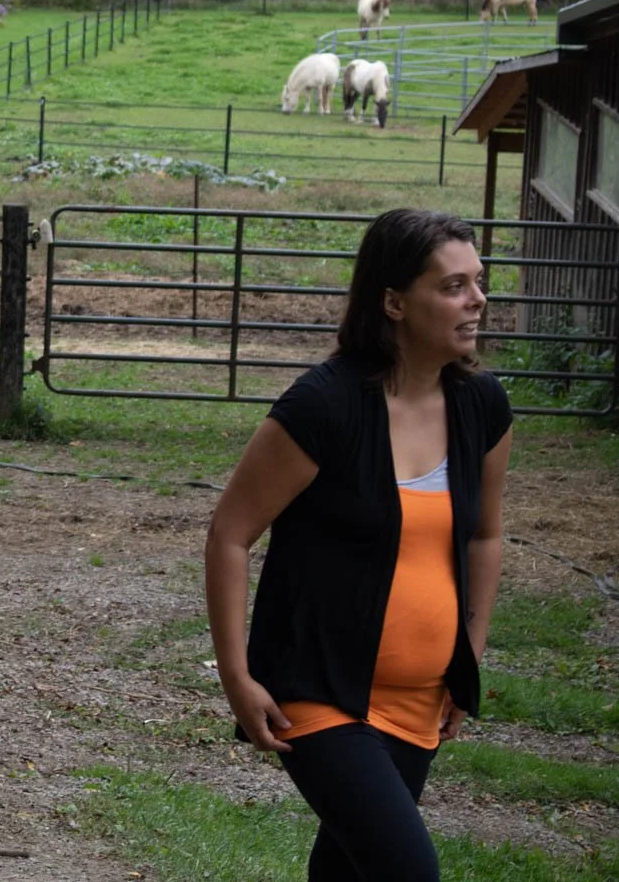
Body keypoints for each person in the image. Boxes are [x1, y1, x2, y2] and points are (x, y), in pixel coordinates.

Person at [205, 208, 513, 881]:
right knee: (408, 872)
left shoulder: (481, 405)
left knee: (347, 871)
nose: (477, 301)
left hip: (421, 700)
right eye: (453, 286)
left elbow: (486, 535)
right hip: (318, 689)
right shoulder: (325, 407)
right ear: (395, 302)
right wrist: (237, 676)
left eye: (478, 282)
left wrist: (470, 654)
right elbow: (230, 534)